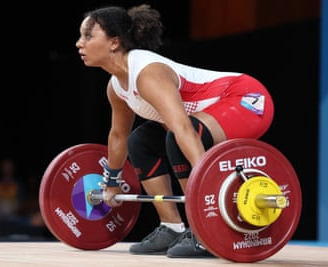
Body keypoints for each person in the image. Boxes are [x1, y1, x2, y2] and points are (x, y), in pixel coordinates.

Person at [75, 4, 274, 258]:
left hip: (247, 100)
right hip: (203, 119)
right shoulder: (116, 87)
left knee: (179, 135)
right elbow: (118, 136)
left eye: (88, 36)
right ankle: (171, 227)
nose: (79, 43)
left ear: (114, 43)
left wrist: (206, 187)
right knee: (140, 142)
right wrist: (110, 183)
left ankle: (204, 230)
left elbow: (181, 128)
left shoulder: (147, 73)